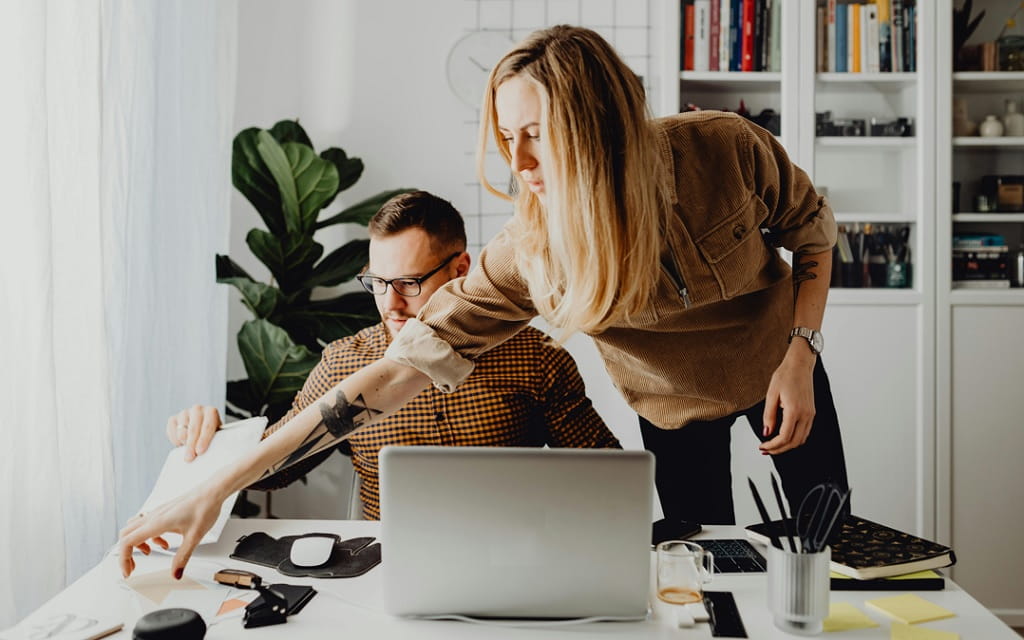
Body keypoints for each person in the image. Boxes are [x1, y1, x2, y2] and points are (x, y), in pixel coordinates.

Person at [119, 25, 849, 579]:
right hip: (671, 407)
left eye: (537, 135)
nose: (519, 163)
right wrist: (217, 485)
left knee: (834, 544)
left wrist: (800, 354)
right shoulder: (527, 255)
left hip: (782, 363)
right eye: (506, 137)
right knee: (714, 566)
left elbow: (813, 233)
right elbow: (393, 373)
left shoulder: (725, 148)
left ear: (599, 125)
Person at [166, 190, 620, 520]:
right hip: (381, 574)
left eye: (408, 283)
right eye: (377, 283)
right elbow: (273, 470)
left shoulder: (537, 357)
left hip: (516, 560)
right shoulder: (344, 363)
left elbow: (605, 478)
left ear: (461, 269)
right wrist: (207, 437)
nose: (390, 304)